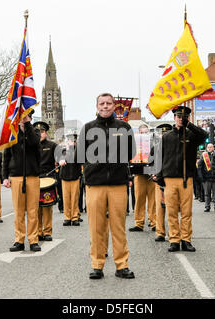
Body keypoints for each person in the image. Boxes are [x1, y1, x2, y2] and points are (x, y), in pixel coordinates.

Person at [76, 92, 136, 279]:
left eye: (109, 103)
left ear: (114, 106)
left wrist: (116, 162)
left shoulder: (124, 127)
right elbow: (80, 154)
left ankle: (121, 265)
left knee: (118, 226)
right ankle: (97, 265)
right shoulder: (88, 128)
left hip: (118, 184)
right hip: (95, 185)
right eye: (102, 103)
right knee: (96, 227)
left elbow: (131, 152)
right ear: (97, 106)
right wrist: (94, 166)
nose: (105, 106)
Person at [155, 106, 208, 252]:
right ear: (174, 118)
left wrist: (188, 125)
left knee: (186, 212)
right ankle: (174, 240)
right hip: (170, 178)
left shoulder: (192, 134)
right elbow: (160, 158)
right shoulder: (166, 137)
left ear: (187, 119)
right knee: (171, 211)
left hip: (186, 178)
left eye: (183, 117)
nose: (180, 119)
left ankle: (186, 239)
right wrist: (159, 177)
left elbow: (205, 134)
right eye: (178, 117)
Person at [3, 109, 42, 252]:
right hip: (16, 176)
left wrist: (27, 126)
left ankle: (33, 240)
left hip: (32, 176)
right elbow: (6, 156)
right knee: (18, 211)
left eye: (25, 117)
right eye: (20, 117)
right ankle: (19, 240)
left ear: (30, 119)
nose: (22, 119)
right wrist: (5, 177)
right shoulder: (11, 133)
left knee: (32, 210)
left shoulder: (35, 132)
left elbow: (33, 143)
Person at [34, 121, 58, 241]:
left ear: (46, 133)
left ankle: (47, 231)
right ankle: (38, 231)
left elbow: (61, 156)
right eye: (37, 132)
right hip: (34, 180)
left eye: (42, 132)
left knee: (47, 207)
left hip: (48, 179)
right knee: (36, 208)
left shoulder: (52, 145)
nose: (40, 134)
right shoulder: (30, 146)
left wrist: (62, 159)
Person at [129, 124, 156, 232]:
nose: (144, 134)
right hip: (139, 174)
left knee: (153, 200)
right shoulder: (134, 144)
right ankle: (139, 223)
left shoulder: (154, 144)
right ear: (139, 133)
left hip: (151, 174)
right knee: (139, 199)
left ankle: (154, 222)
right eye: (142, 132)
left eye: (146, 132)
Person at [152, 123, 172, 242]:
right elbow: (151, 161)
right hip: (158, 180)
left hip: (171, 179)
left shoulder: (176, 145)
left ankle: (172, 233)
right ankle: (160, 232)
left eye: (167, 133)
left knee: (171, 208)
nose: (164, 135)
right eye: (162, 133)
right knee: (159, 208)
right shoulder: (156, 147)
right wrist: (153, 173)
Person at [59, 133, 82, 226]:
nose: (71, 142)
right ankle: (67, 217)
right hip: (65, 177)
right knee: (66, 198)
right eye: (69, 141)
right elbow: (59, 159)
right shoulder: (63, 151)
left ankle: (75, 217)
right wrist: (61, 160)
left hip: (75, 176)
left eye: (73, 141)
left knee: (74, 198)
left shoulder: (79, 151)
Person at [197, 143, 215, 213]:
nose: (210, 148)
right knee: (207, 194)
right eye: (208, 147)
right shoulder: (203, 156)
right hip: (206, 178)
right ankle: (207, 207)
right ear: (206, 148)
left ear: (213, 148)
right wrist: (201, 177)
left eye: (211, 147)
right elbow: (199, 167)